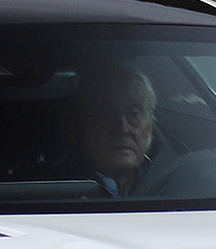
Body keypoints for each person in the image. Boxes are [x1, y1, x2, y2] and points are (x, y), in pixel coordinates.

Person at [63, 63, 157, 196]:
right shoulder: (55, 190)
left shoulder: (170, 181)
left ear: (150, 125)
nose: (122, 129)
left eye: (133, 114)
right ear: (75, 127)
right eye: (105, 114)